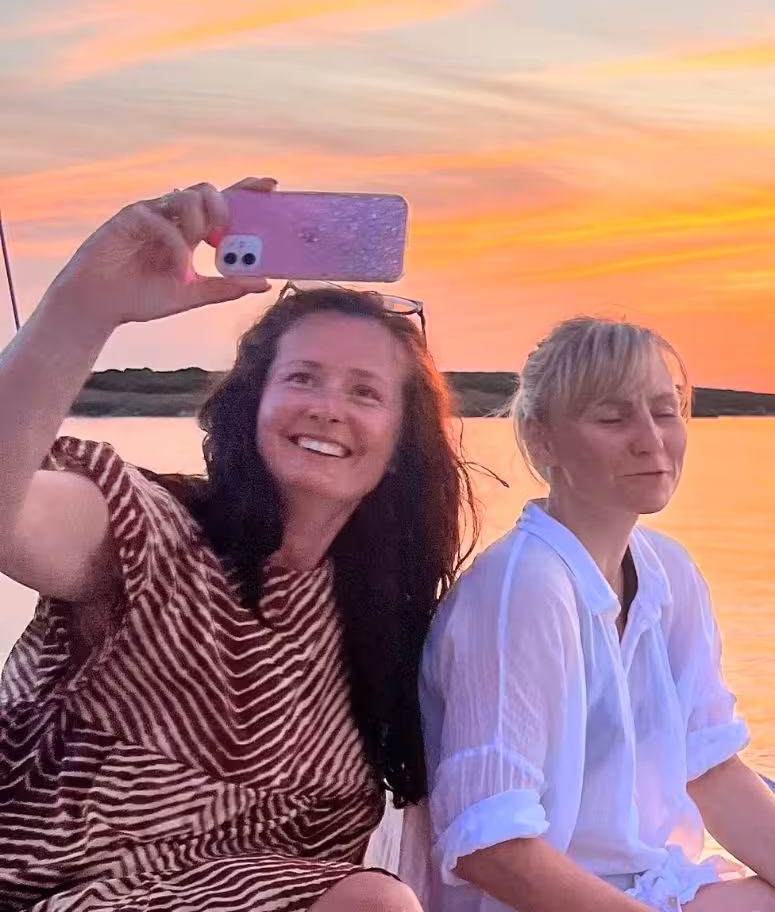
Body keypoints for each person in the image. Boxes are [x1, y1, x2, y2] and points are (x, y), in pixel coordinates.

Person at [0, 179, 477, 911]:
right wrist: (86, 304)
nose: (327, 406)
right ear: (251, 404)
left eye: (364, 391)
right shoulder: (153, 532)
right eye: (302, 378)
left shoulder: (385, 624)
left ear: (402, 440)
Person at [416, 316, 775, 912]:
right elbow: (491, 850)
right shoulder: (520, 592)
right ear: (542, 441)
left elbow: (709, 764)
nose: (650, 439)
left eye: (664, 411)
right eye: (613, 418)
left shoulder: (667, 571)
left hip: (654, 884)